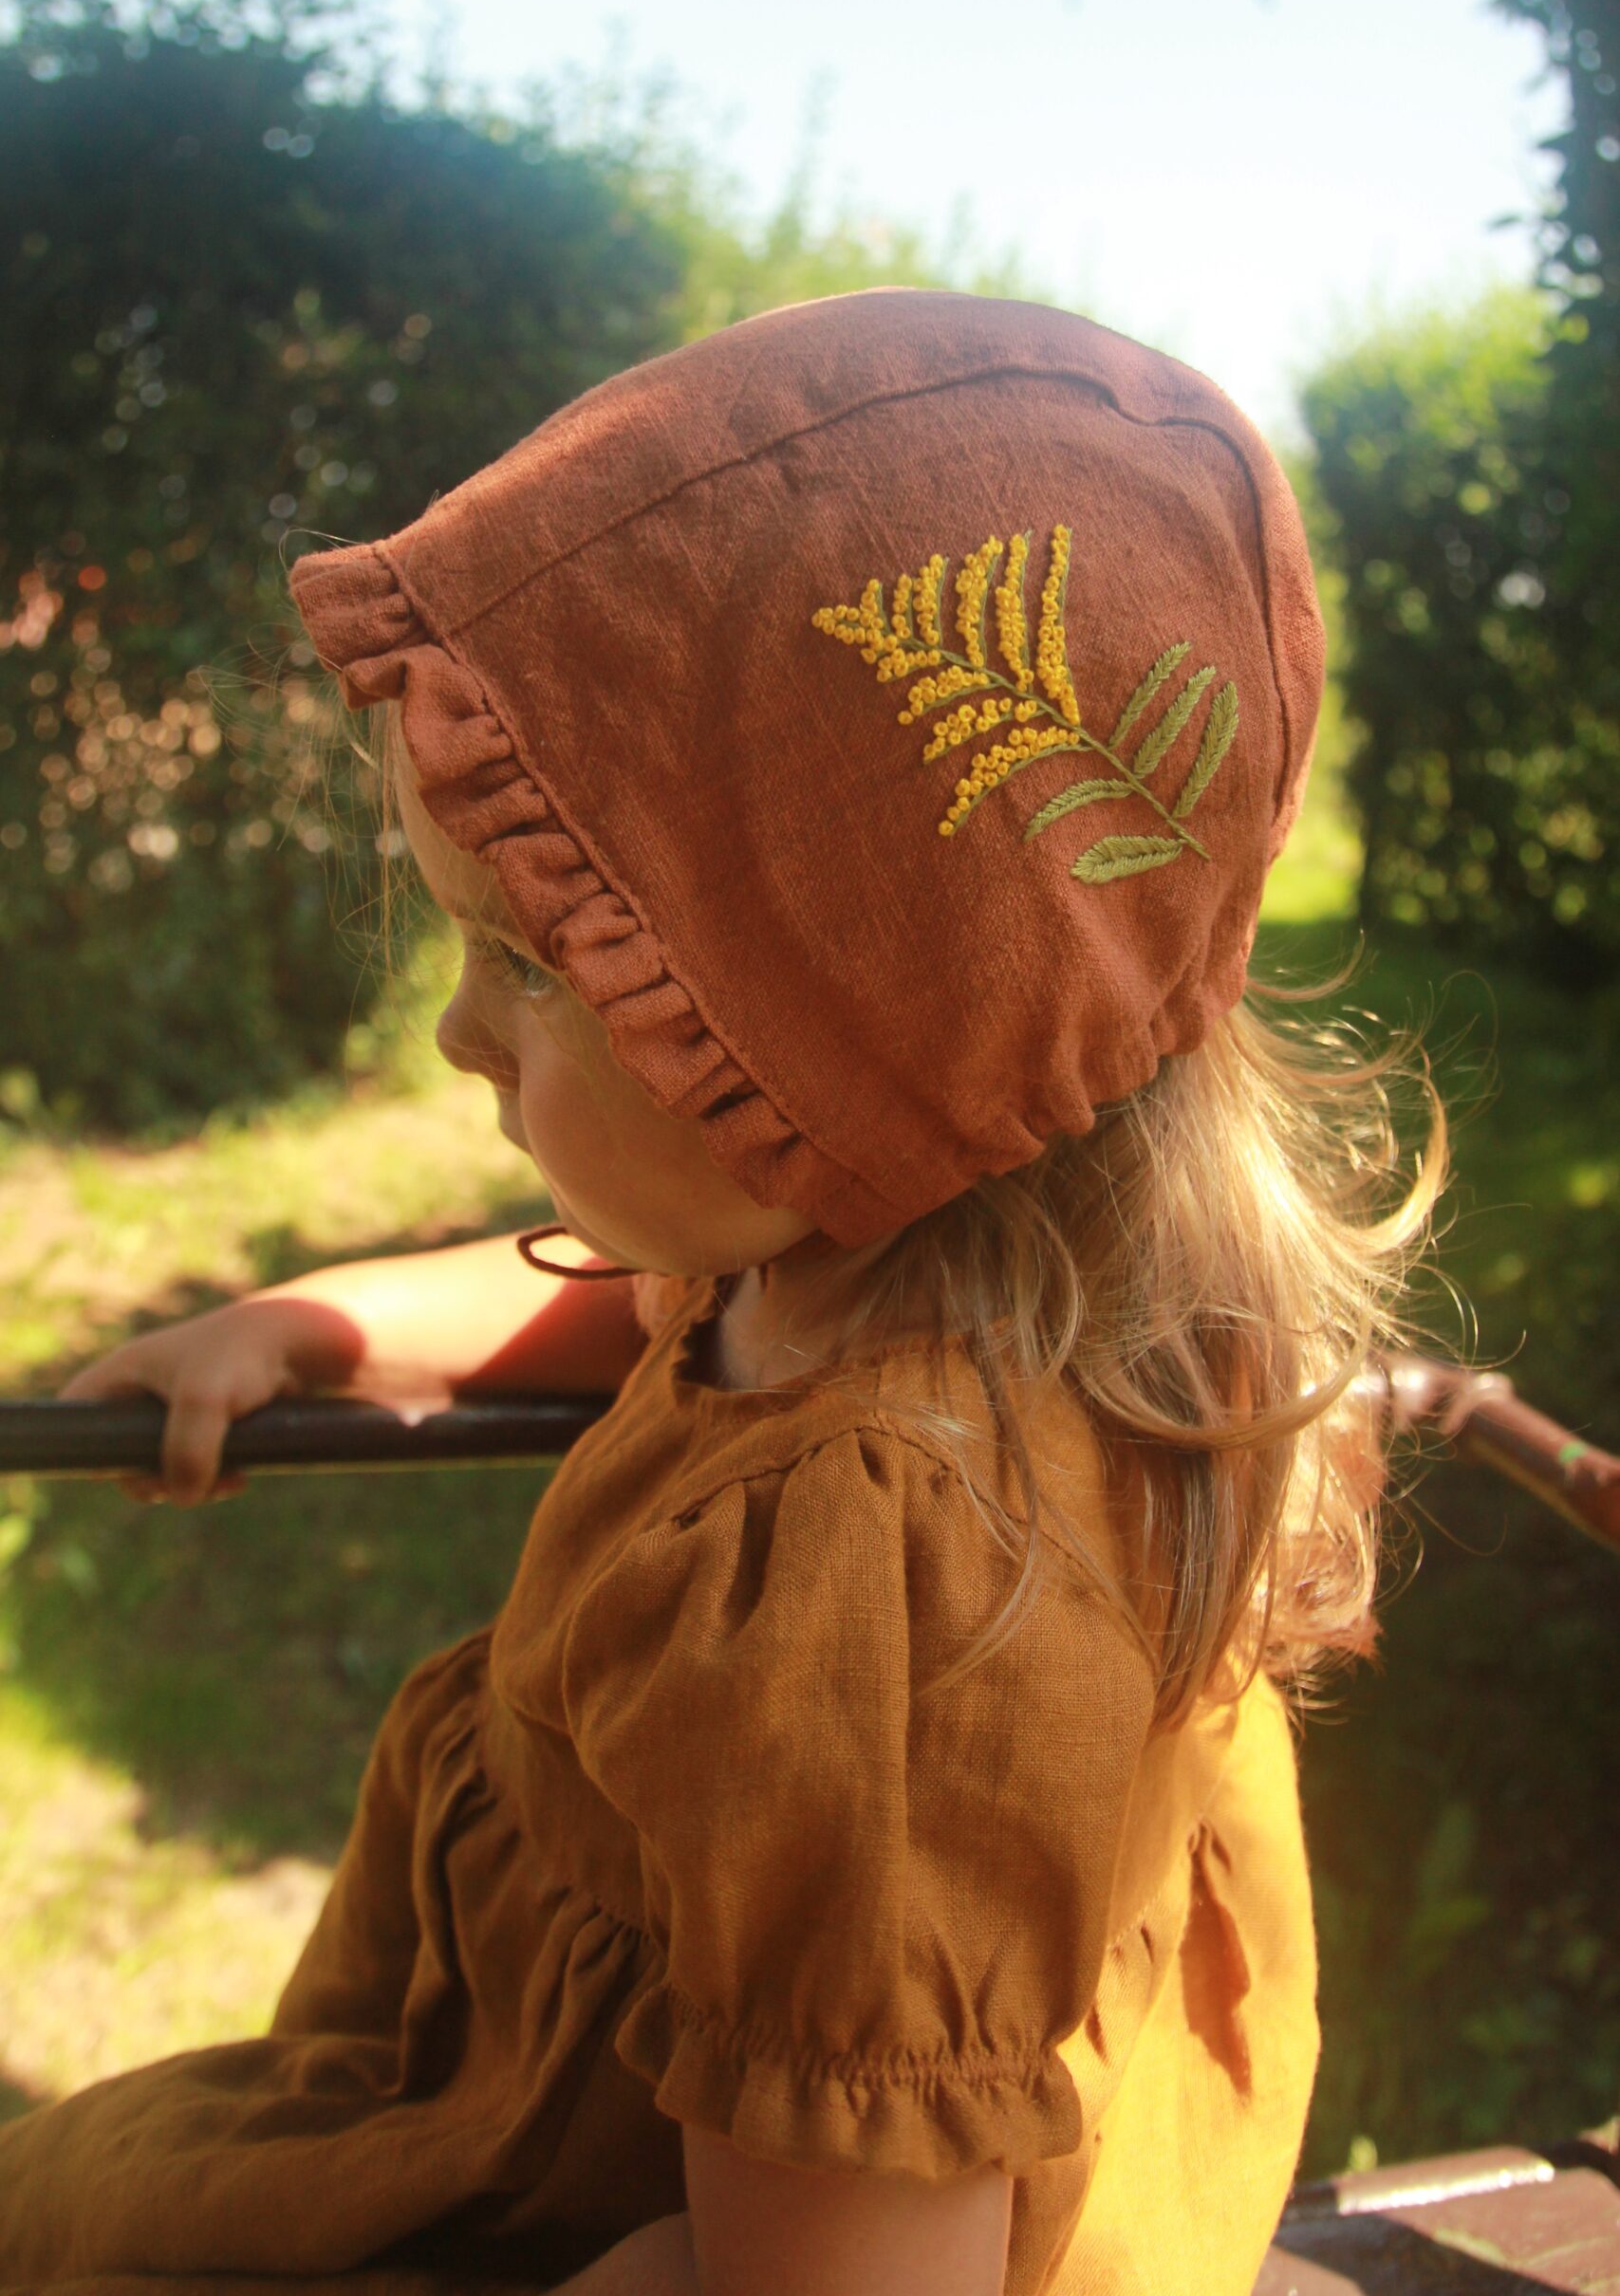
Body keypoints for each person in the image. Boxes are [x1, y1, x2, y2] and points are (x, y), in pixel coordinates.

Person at [0, 289, 1442, 2296]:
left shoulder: (893, 1599)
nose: (456, 1036)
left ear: (840, 1036)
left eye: (536, 963)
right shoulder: (904, 1255)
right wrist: (333, 1324)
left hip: (560, 2208)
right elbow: (636, 1301)